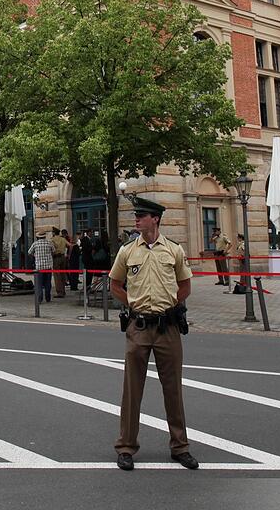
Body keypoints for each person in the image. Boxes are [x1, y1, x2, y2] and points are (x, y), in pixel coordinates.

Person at [110, 196, 197, 472]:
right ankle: (126, 446)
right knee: (132, 390)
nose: (136, 219)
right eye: (137, 215)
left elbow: (185, 285)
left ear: (155, 219)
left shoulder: (173, 250)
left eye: (142, 216)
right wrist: (132, 303)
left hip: (167, 328)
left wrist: (170, 305)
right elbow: (114, 283)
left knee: (173, 389)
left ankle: (180, 446)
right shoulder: (127, 251)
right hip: (139, 328)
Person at [27, 231, 54, 302]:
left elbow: (29, 252)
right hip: (48, 266)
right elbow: (54, 251)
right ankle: (48, 297)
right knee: (48, 283)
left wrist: (35, 256)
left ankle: (40, 298)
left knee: (39, 284)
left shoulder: (35, 244)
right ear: (45, 236)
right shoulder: (49, 243)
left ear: (38, 237)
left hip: (39, 267)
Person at [50, 227, 68, 297]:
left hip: (56, 258)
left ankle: (59, 292)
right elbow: (70, 245)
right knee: (63, 274)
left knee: (57, 276)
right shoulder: (63, 239)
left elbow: (51, 249)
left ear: (54, 233)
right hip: (63, 257)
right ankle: (63, 291)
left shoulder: (52, 240)